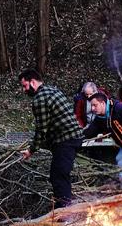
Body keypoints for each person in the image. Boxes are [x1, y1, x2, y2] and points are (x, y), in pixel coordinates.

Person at [18, 69, 86, 208]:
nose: (24, 90)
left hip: (66, 140)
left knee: (58, 176)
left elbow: (42, 129)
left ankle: (64, 214)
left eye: (25, 86)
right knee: (60, 174)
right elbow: (51, 125)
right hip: (72, 138)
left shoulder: (40, 99)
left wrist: (31, 150)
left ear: (33, 82)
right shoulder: (52, 90)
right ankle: (66, 210)